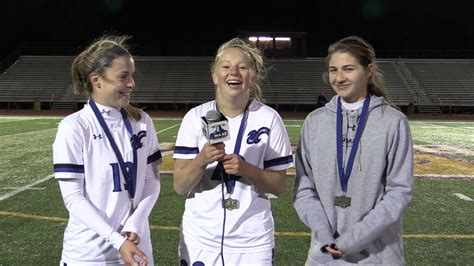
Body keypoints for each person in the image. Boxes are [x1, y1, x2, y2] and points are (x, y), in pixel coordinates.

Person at [293, 35, 414, 265]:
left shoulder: (393, 122)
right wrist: (325, 235)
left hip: (379, 257)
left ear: (369, 71)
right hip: (324, 256)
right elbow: (303, 189)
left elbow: (399, 192)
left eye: (348, 69)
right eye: (333, 70)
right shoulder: (314, 122)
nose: (339, 78)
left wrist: (351, 240)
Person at [173, 37, 294, 265]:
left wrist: (246, 168)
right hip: (201, 238)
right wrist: (202, 159)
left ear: (253, 76)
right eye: (226, 66)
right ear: (214, 75)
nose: (234, 73)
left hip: (252, 240)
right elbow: (180, 186)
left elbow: (278, 188)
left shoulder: (269, 119)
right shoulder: (194, 118)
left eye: (242, 67)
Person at [52, 35, 162, 266]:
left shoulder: (142, 121)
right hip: (90, 254)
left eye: (132, 76)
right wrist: (117, 241)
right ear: (97, 80)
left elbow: (151, 179)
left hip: (138, 246)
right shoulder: (74, 127)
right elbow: (73, 197)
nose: (132, 84)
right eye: (123, 77)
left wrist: (136, 222)